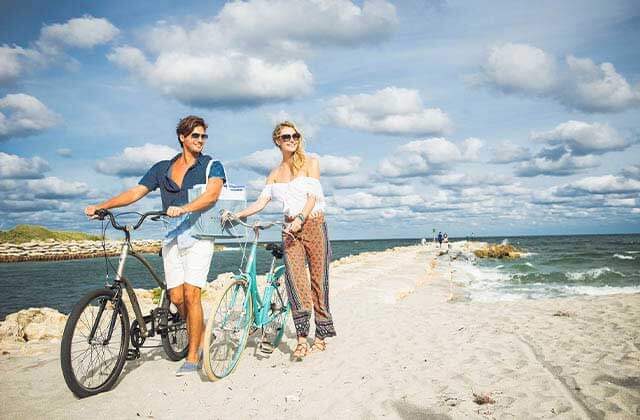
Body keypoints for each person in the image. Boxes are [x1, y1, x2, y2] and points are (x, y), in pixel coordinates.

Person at [85, 115, 225, 376]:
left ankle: (194, 353)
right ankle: (203, 333)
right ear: (182, 137)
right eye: (195, 135)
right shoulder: (162, 168)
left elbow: (212, 195)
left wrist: (184, 208)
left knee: (192, 295)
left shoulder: (211, 165)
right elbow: (136, 192)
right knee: (176, 297)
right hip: (172, 235)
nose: (200, 140)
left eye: (203, 136)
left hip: (199, 235)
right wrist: (103, 206)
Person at [225, 120, 336, 361]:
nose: (292, 140)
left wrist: (301, 218)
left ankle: (321, 335)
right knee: (295, 284)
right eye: (287, 137)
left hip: (314, 224)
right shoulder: (274, 174)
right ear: (277, 141)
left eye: (295, 136)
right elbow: (260, 203)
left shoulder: (311, 163)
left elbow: (312, 197)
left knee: (319, 280)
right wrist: (236, 214)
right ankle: (301, 339)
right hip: (289, 229)